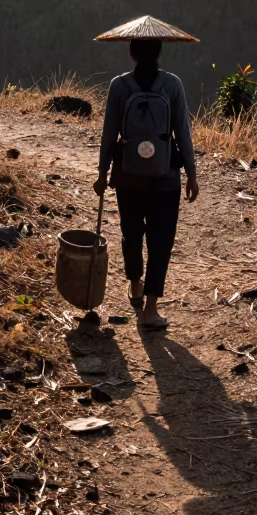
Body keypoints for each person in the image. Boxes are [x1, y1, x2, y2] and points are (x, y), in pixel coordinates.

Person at [93, 38, 199, 330]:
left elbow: (109, 133)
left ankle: (135, 283)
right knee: (161, 240)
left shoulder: (119, 86)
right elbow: (183, 134)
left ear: (132, 53)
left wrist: (102, 173)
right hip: (166, 176)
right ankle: (150, 310)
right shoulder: (173, 85)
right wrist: (191, 172)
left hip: (128, 176)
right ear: (160, 52)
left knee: (131, 232)